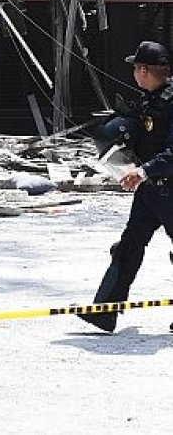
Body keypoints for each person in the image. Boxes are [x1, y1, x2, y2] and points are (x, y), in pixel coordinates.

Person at [77, 41, 173, 333]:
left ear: (144, 70)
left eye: (135, 68)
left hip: (169, 189)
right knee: (129, 247)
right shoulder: (149, 100)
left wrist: (143, 170)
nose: (133, 73)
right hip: (149, 191)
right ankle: (105, 311)